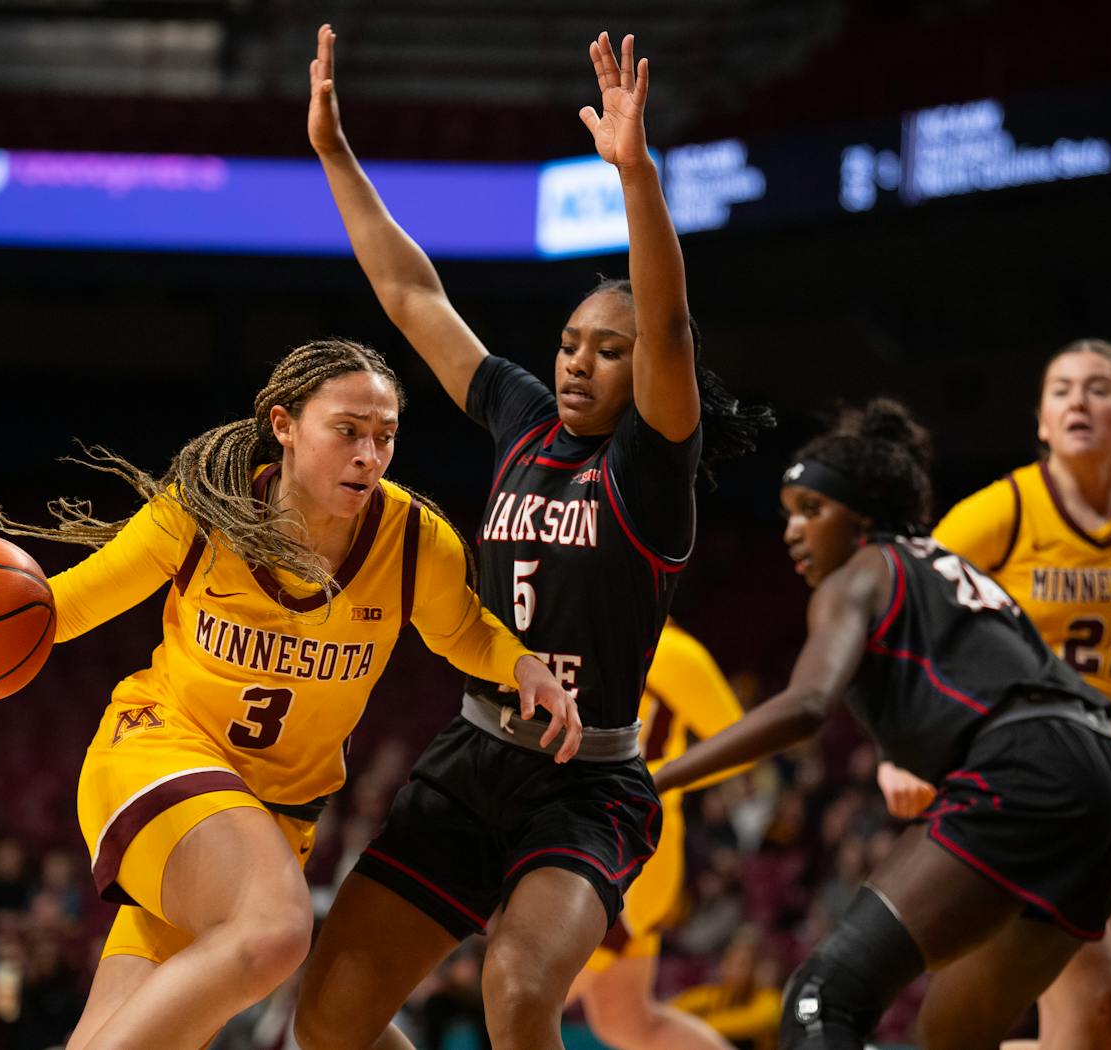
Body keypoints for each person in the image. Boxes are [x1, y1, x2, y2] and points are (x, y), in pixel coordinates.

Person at [0, 337, 581, 1050]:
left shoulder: (414, 540)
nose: (370, 453)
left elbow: (464, 629)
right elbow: (61, 606)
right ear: (283, 425)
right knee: (275, 930)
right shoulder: (203, 512)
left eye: (385, 435)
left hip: (272, 823)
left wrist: (521, 666)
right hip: (159, 753)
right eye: (348, 431)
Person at [296, 25, 770, 1050]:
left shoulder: (651, 468)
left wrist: (635, 178)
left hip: (587, 784)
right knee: (325, 1021)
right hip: (474, 752)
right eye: (568, 343)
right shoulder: (520, 416)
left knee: (517, 991)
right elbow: (414, 295)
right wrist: (337, 155)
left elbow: (671, 326)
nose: (578, 364)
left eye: (609, 350)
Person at [651, 399, 1111, 1050]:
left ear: (861, 517)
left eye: (811, 510)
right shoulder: (956, 571)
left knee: (819, 999)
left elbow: (807, 706)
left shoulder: (859, 573)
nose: (792, 532)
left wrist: (658, 777)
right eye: (787, 515)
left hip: (1023, 771)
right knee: (949, 1037)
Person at [878, 339, 1111, 1050]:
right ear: (1042, 423)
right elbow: (897, 603)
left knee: (1101, 1039)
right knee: (1093, 1007)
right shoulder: (1007, 510)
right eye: (1062, 391)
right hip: (1026, 776)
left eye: (1098, 389)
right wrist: (904, 747)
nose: (1079, 402)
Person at [568, 619, 752, 1050]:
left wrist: (657, 781)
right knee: (627, 1022)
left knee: (527, 990)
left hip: (633, 853)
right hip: (598, 843)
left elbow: (741, 743)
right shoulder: (589, 636)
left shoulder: (672, 651)